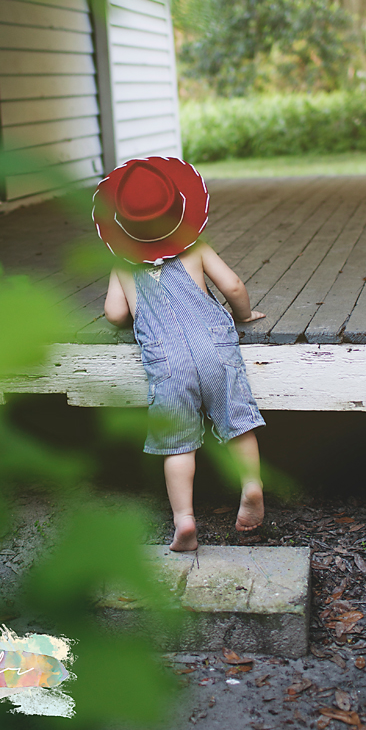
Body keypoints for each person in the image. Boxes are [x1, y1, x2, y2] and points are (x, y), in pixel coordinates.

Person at [92, 156, 266, 552]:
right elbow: (233, 286)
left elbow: (115, 313)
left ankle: (185, 521)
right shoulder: (196, 248)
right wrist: (245, 314)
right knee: (237, 422)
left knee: (178, 444)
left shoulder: (122, 264)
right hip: (215, 348)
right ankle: (252, 487)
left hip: (167, 362)